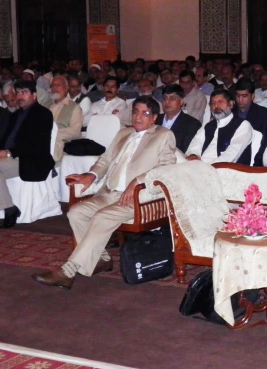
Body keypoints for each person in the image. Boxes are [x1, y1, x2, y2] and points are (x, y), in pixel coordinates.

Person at [32, 97, 177, 289]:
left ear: (154, 118)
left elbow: (167, 168)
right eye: (136, 112)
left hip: (137, 198)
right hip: (109, 192)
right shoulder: (123, 133)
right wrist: (90, 175)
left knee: (102, 217)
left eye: (145, 113)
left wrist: (137, 182)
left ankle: (68, 271)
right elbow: (105, 160)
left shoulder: (164, 135)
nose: (138, 117)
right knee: (76, 212)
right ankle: (102, 258)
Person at [0, 81, 55, 232]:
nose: (20, 96)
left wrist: (10, 152)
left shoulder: (43, 114)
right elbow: (6, 138)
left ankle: (9, 209)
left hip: (31, 159)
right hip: (12, 156)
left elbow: (35, 143)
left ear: (34, 95)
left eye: (24, 92)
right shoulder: (16, 114)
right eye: (18, 93)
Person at [186, 88, 253, 164]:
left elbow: (231, 154)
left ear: (231, 104)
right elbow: (196, 143)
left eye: (220, 102)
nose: (216, 106)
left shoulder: (243, 125)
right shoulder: (208, 126)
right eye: (213, 103)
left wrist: (208, 167)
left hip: (224, 170)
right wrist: (193, 155)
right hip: (200, 166)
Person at [47, 75, 84, 162]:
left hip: (65, 144)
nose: (55, 88)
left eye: (58, 85)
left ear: (66, 88)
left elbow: (75, 131)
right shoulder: (47, 107)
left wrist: (54, 134)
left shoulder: (74, 107)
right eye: (53, 85)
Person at [156, 85, 201, 153]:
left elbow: (185, 151)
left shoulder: (192, 124)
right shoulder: (154, 119)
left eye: (172, 99)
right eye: (165, 98)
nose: (167, 102)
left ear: (181, 102)